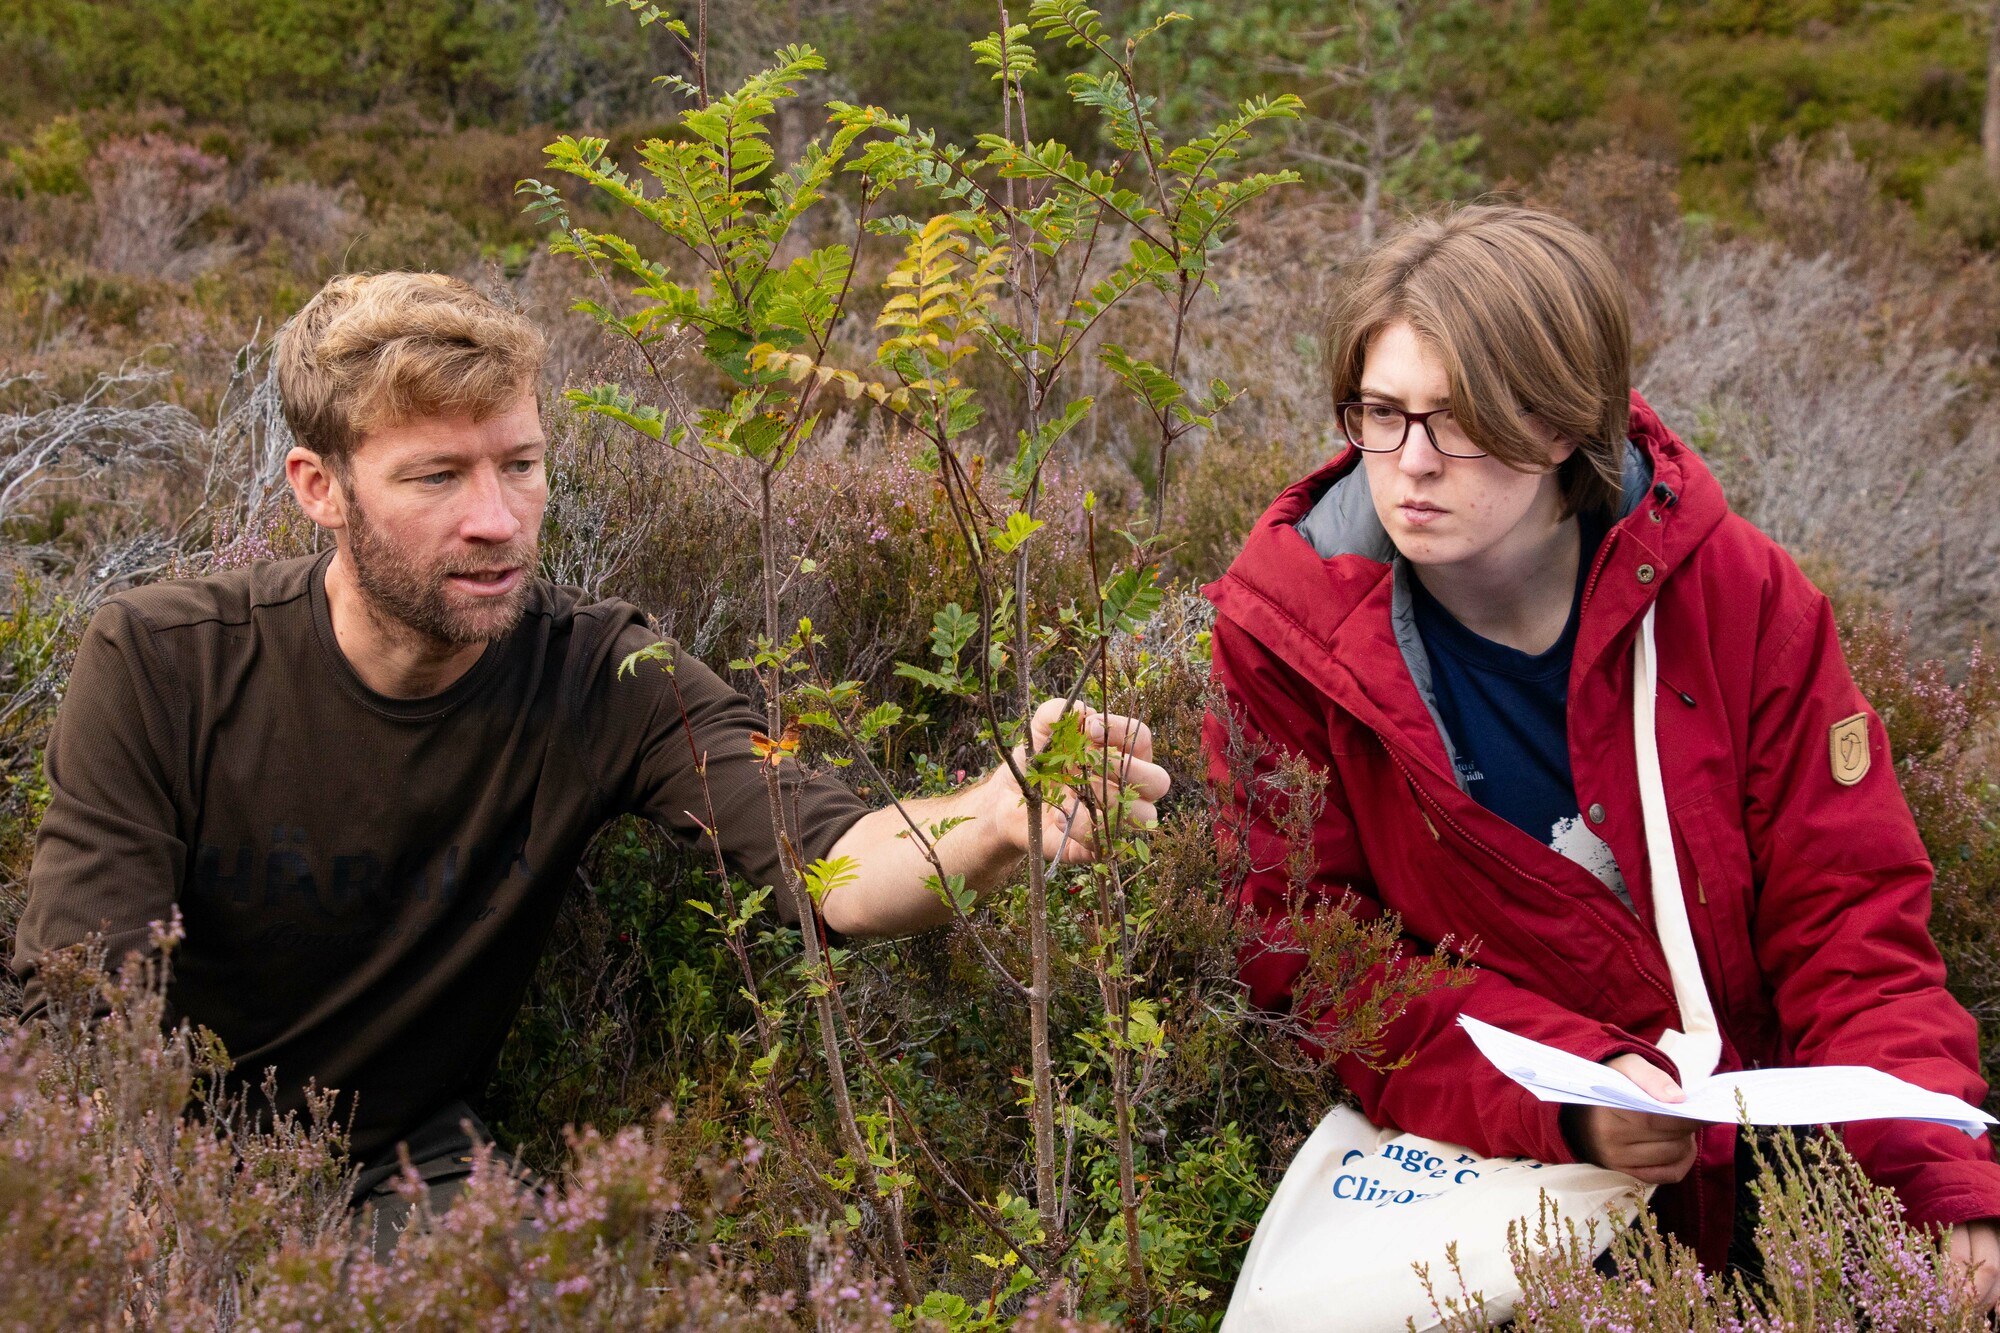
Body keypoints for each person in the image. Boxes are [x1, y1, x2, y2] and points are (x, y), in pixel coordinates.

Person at [12, 271, 1170, 1255]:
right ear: (319, 488)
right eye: (437, 476)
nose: (499, 519)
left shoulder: (599, 674)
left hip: (402, 1167)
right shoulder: (167, 661)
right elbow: (81, 1009)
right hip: (132, 1148)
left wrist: (994, 818)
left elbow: (835, 860)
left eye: (519, 464)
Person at [1201, 205, 2000, 1306]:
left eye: (1459, 419)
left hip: (1768, 1181)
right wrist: (1571, 1096)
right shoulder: (1284, 638)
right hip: (1499, 1194)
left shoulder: (1736, 597)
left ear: (1565, 421)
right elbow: (1308, 948)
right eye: (1379, 414)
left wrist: (1935, 1187)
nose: (1411, 463)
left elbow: (1848, 916)